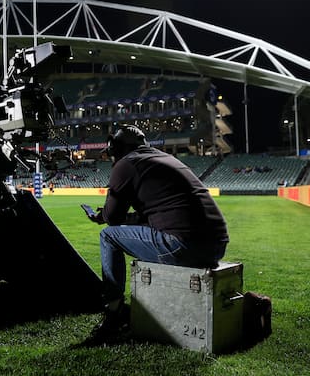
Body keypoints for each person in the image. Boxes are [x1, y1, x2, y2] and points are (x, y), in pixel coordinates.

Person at [86, 125, 229, 340]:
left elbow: (112, 219)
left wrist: (102, 216)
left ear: (116, 148)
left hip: (183, 245)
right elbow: (155, 213)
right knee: (130, 232)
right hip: (216, 245)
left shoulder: (126, 164)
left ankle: (114, 312)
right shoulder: (162, 158)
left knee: (108, 237)